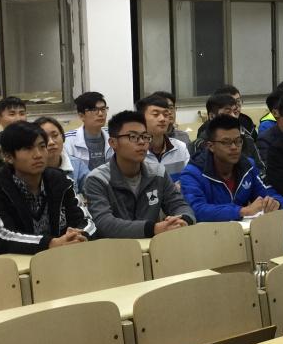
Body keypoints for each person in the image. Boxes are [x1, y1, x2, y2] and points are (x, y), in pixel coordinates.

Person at [0, 121, 96, 255]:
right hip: (13, 262)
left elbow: (87, 221)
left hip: (60, 257)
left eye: (42, 147)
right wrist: (50, 243)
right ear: (8, 157)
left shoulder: (61, 181)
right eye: (28, 148)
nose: (38, 155)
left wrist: (79, 235)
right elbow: (2, 235)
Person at [84, 110, 194, 239]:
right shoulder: (97, 179)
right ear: (113, 143)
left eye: (145, 136)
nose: (142, 142)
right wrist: (154, 228)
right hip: (115, 247)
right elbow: (104, 224)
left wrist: (183, 220)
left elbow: (179, 205)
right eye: (133, 137)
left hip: (154, 245)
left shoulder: (158, 172)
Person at [179, 114, 283, 221]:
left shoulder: (248, 165)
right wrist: (241, 211)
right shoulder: (192, 173)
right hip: (209, 230)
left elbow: (267, 194)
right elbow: (197, 210)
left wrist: (276, 202)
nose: (234, 147)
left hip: (243, 228)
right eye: (226, 142)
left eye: (238, 141)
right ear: (211, 146)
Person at [193, 92, 263, 172]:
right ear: (212, 116)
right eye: (228, 112)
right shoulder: (199, 144)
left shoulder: (247, 139)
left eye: (235, 112)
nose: (233, 116)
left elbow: (261, 169)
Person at [63, 91, 113, 190]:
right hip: (82, 191)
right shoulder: (68, 140)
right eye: (94, 110)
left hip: (111, 189)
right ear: (81, 116)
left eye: (103, 109)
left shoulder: (114, 135)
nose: (100, 114)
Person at [138, 93, 190, 181]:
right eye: (155, 114)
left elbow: (188, 179)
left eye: (166, 114)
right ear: (141, 118)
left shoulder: (180, 148)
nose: (162, 119)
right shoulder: (134, 150)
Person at [34, 115, 74, 183]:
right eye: (44, 137)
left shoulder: (77, 165)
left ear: (62, 137)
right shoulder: (30, 170)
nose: (51, 142)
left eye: (55, 135)